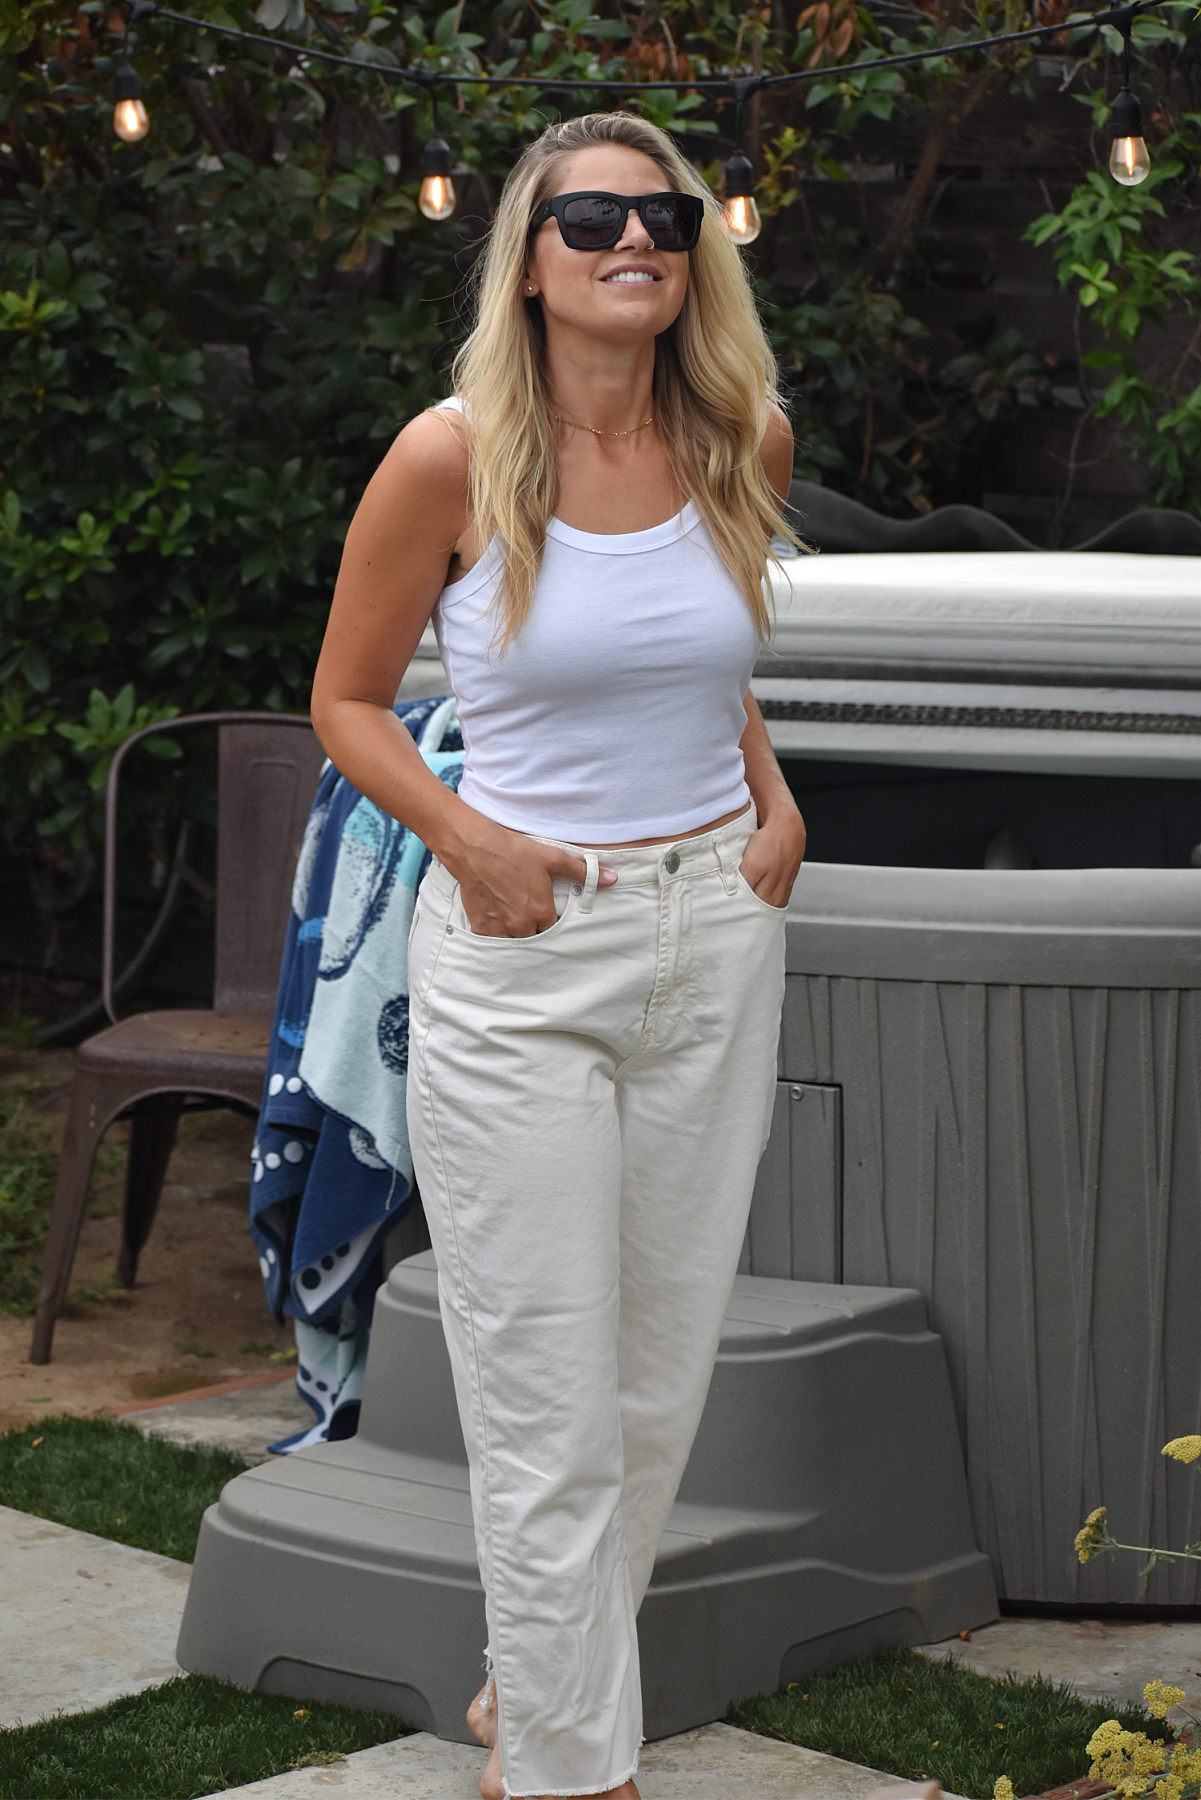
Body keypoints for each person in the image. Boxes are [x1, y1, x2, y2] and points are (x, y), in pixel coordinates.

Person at [310, 109, 806, 1800]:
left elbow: (695, 658)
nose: (632, 242)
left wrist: (773, 794)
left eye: (661, 215)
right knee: (545, 1399)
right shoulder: (452, 459)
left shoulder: (746, 436)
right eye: (590, 217)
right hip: (525, 958)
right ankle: (581, 1772)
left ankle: (537, 1695)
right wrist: (469, 840)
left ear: (696, 250)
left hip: (712, 941)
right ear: (528, 254)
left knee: (655, 1392)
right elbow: (348, 702)